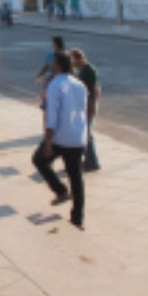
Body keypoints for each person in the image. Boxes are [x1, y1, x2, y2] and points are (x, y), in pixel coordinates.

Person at [31, 52, 88, 230]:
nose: (50, 66)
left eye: (52, 63)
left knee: (39, 160)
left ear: (58, 66)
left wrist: (48, 141)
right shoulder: (79, 85)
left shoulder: (55, 85)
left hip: (59, 137)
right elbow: (83, 112)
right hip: (77, 137)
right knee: (76, 178)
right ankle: (77, 218)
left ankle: (61, 190)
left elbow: (52, 116)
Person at [70, 48, 101, 172]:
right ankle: (88, 160)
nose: (73, 64)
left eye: (74, 61)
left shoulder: (89, 70)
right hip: (83, 106)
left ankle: (92, 162)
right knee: (84, 134)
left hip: (89, 106)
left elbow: (96, 89)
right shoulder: (82, 70)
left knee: (88, 135)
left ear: (79, 58)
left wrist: (93, 106)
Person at [34, 35, 65, 106]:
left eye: (53, 43)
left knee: (46, 101)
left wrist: (39, 75)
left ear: (55, 44)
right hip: (63, 78)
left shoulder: (51, 54)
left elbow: (46, 66)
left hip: (52, 78)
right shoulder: (66, 54)